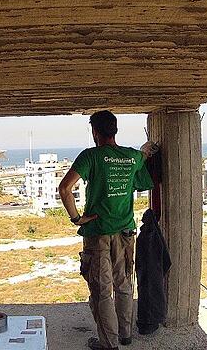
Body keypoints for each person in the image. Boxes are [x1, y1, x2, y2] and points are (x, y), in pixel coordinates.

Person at [58, 110, 155, 350]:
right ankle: (125, 335)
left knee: (102, 291)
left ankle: (109, 344)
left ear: (94, 132)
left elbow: (65, 189)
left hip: (98, 233)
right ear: (115, 130)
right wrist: (145, 150)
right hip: (125, 232)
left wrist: (77, 218)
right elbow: (143, 164)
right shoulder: (132, 157)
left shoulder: (91, 156)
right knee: (123, 285)